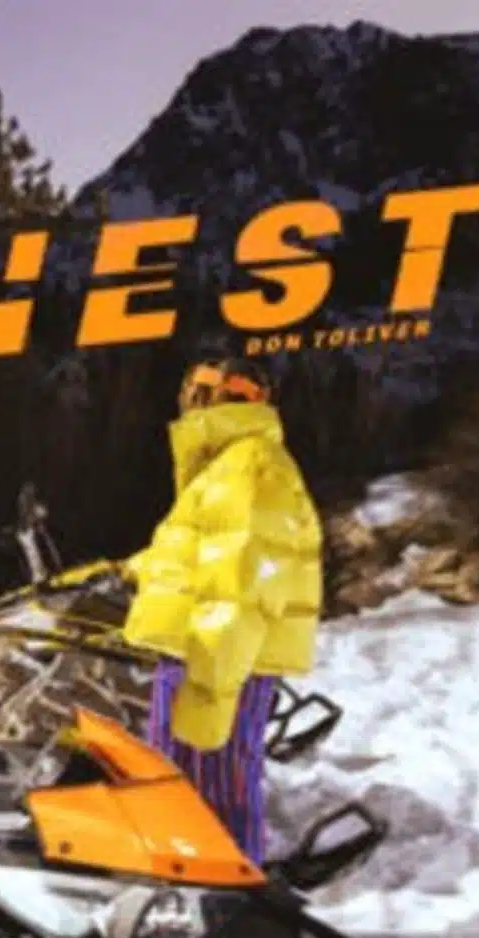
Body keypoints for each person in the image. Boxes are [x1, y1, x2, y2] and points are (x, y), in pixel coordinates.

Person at [121, 356, 322, 864]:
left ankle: (219, 897)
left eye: (193, 390)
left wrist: (209, 693)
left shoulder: (248, 467)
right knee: (187, 795)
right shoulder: (233, 464)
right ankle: (198, 891)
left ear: (211, 396)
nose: (183, 401)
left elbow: (239, 592)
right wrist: (137, 569)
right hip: (209, 656)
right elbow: (207, 559)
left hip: (214, 661)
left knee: (207, 796)